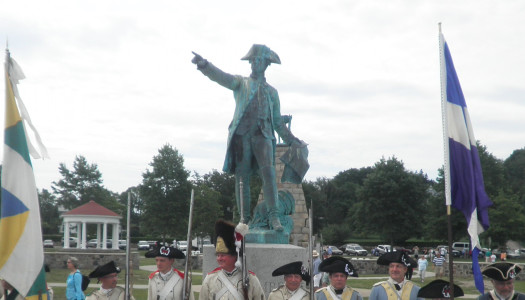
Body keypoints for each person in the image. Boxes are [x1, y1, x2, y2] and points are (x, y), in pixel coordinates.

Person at [192, 45, 308, 231]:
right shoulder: (241, 83)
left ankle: (274, 217)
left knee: (269, 175)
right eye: (252, 60)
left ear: (266, 64)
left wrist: (292, 140)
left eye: (258, 60)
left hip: (263, 135)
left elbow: (277, 123)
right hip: (242, 135)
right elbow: (222, 77)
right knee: (242, 177)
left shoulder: (272, 92)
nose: (254, 63)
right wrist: (205, 66)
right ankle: (244, 219)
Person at [199, 220, 265, 300]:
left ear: (234, 255)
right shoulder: (210, 279)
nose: (219, 258)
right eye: (218, 255)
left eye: (223, 255)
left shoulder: (251, 279)